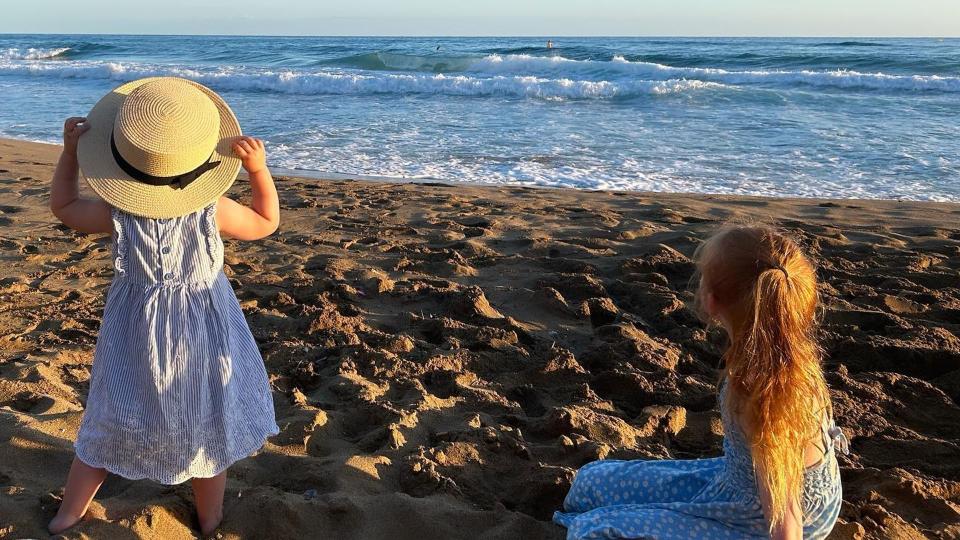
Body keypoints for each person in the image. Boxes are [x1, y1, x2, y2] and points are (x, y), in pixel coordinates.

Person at [47, 77, 281, 535]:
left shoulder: (119, 212)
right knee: (206, 421)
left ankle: (67, 515)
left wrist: (71, 154)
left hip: (134, 328)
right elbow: (266, 221)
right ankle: (210, 520)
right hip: (203, 324)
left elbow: (65, 206)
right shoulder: (213, 209)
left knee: (111, 415)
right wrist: (258, 170)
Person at [553, 226, 848, 539]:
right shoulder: (784, 345)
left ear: (711, 301)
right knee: (589, 482)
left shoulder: (759, 390)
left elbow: (785, 518)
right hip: (741, 482)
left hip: (769, 514)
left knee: (594, 531)